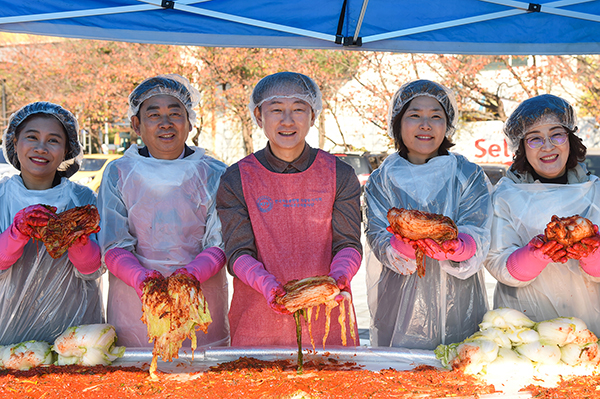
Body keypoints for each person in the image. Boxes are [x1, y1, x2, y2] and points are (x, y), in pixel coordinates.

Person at [217, 72, 362, 346]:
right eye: (276, 110)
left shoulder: (339, 174)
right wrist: (269, 288)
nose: (287, 120)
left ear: (313, 116)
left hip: (328, 316)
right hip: (256, 322)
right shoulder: (237, 178)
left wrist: (337, 279)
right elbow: (237, 253)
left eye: (298, 109)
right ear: (259, 117)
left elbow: (349, 243)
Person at [98, 74, 229, 347]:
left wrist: (190, 277)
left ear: (190, 121)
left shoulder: (215, 174)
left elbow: (220, 242)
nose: (165, 123)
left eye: (174, 113)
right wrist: (142, 279)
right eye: (153, 114)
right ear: (137, 124)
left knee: (202, 380)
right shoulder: (119, 173)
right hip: (134, 308)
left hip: (201, 305)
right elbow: (112, 244)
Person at [364, 80, 492, 349]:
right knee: (400, 380)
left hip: (460, 304)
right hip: (398, 305)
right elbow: (376, 234)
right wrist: (401, 247)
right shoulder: (382, 179)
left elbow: (479, 229)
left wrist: (460, 247)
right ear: (397, 123)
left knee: (460, 372)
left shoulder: (467, 175)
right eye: (414, 115)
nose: (426, 124)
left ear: (447, 125)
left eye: (436, 116)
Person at [485, 94, 600, 334]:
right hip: (525, 327)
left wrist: (592, 254)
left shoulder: (596, 192)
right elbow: (497, 261)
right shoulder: (506, 195)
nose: (548, 146)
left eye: (556, 134)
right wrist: (535, 256)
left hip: (588, 323)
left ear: (570, 138)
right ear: (521, 147)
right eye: (535, 139)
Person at [0, 102, 103, 345]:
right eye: (32, 137)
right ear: (15, 142)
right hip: (7, 328)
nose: (41, 148)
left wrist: (78, 242)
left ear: (67, 149)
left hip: (74, 330)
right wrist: (16, 234)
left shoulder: (83, 200)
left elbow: (93, 270)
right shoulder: (2, 198)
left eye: (53, 140)